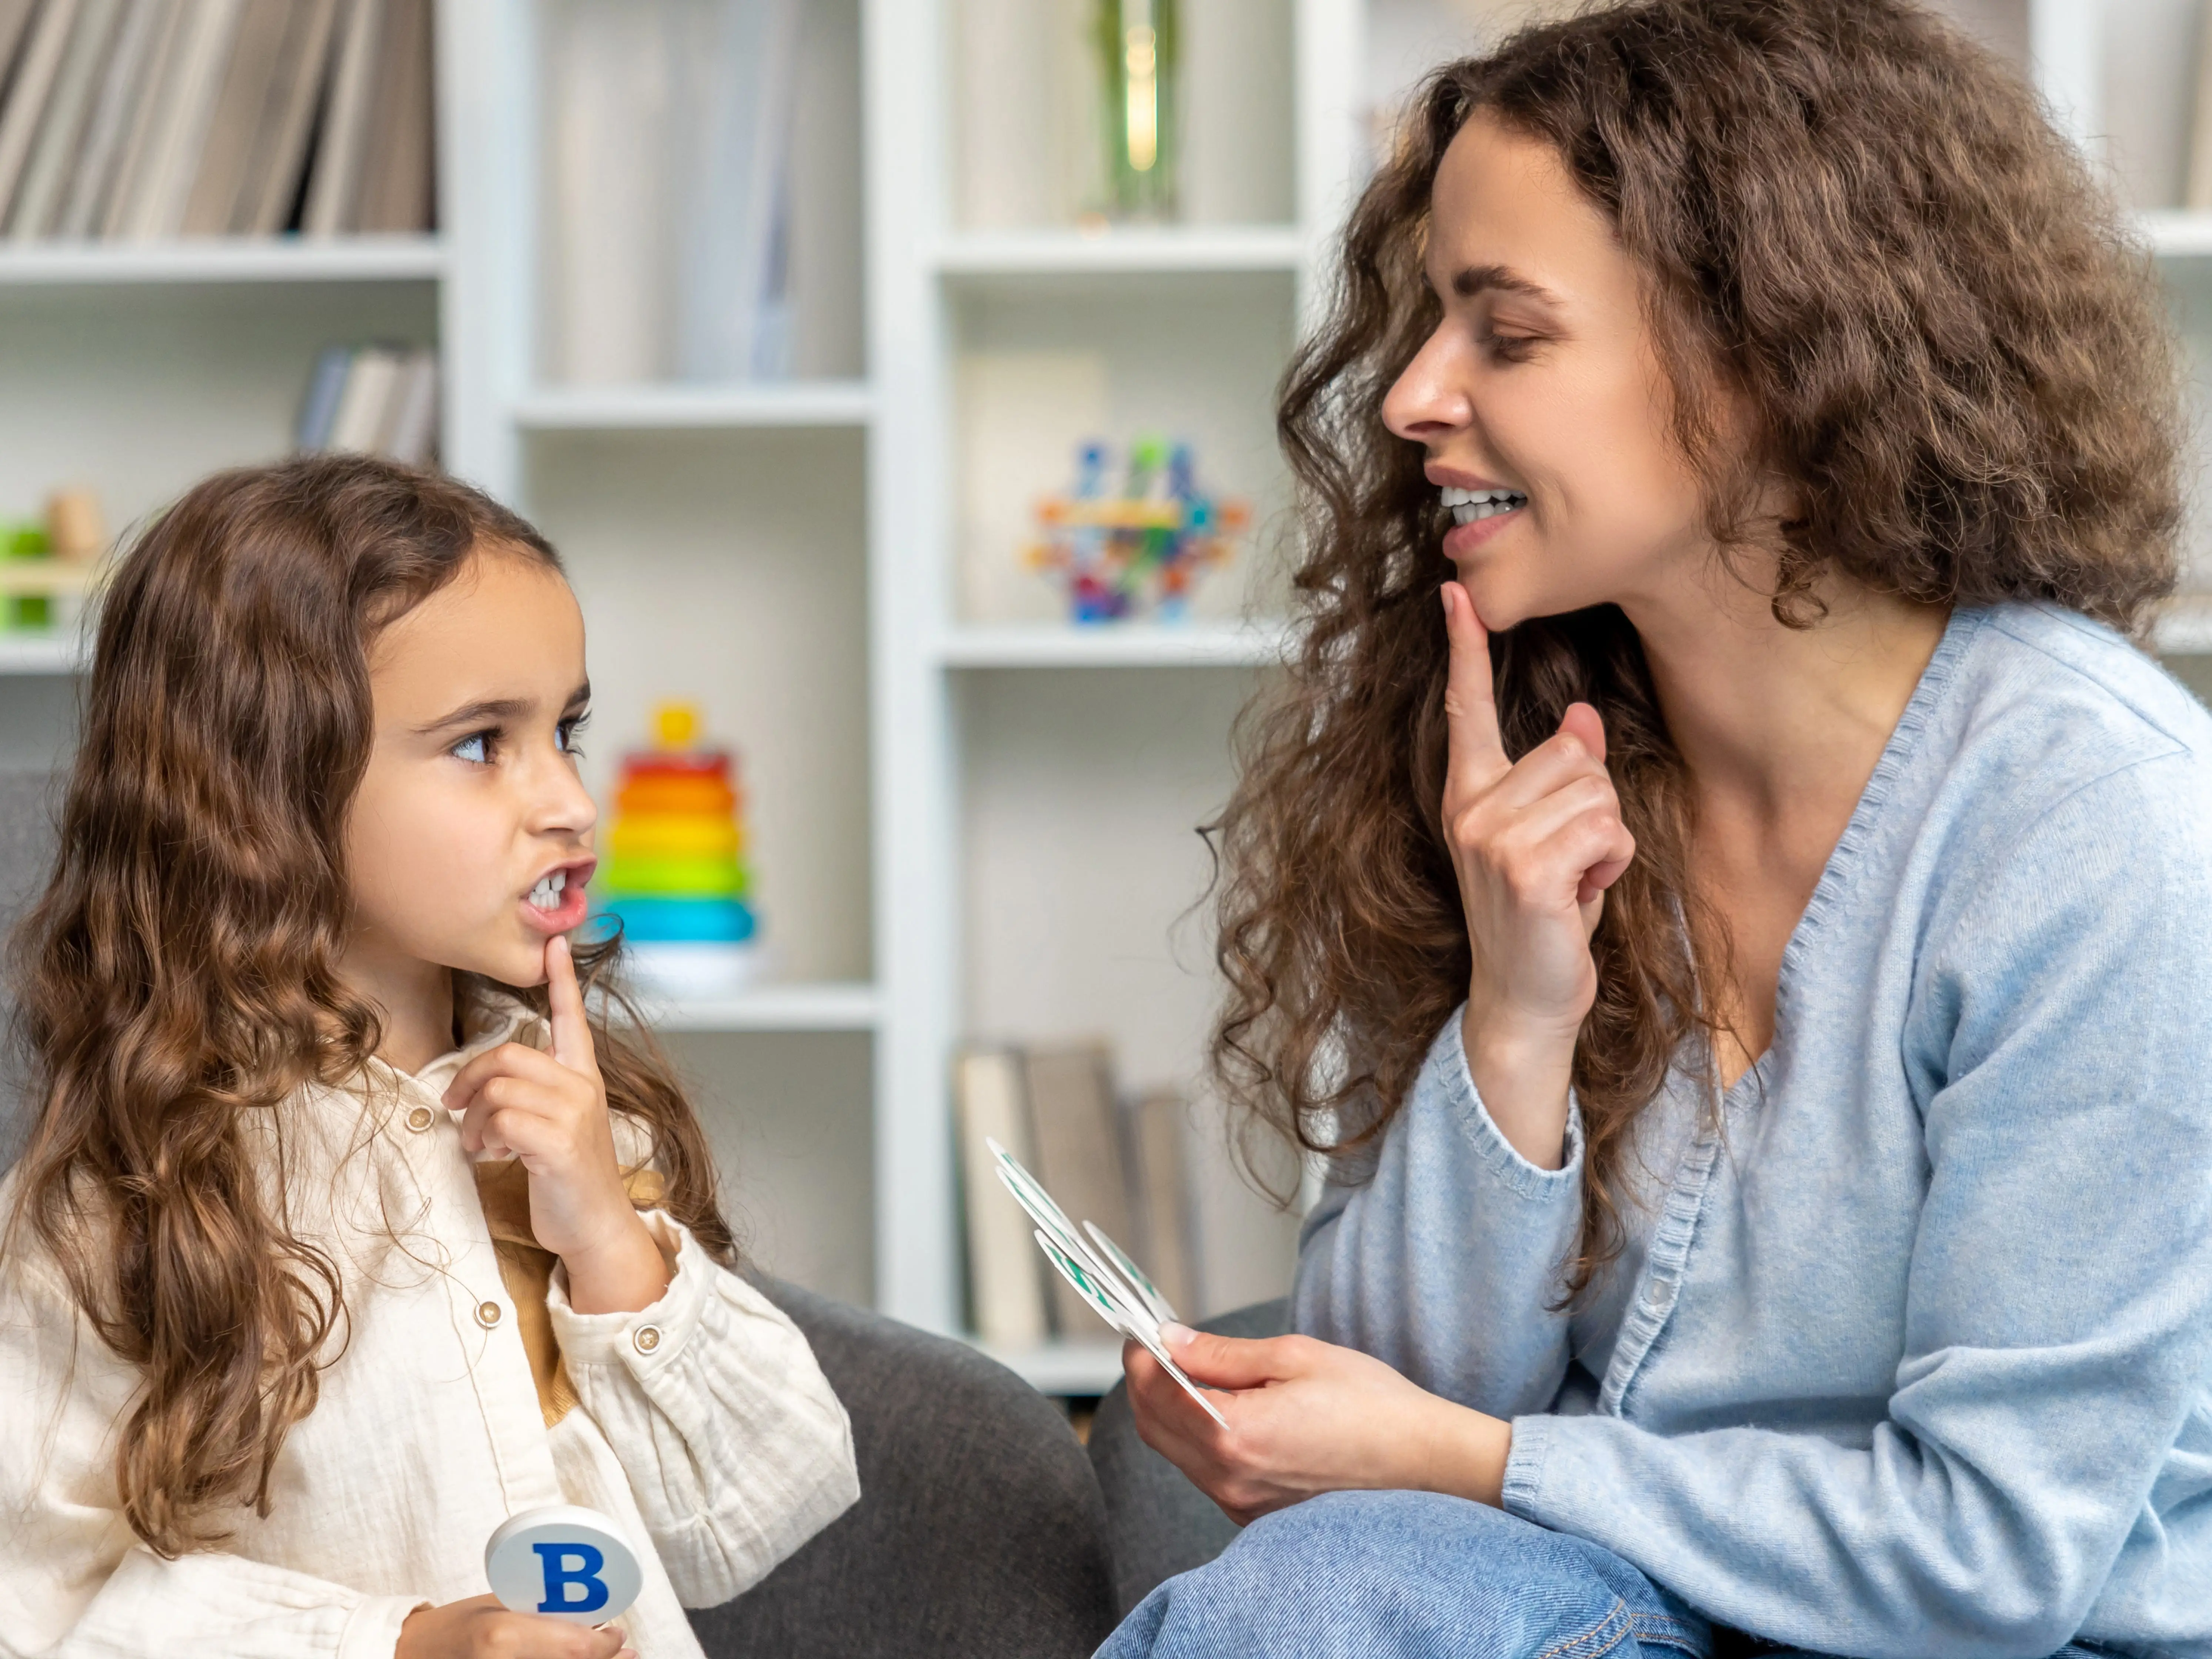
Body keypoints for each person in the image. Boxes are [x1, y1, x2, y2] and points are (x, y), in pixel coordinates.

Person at [1105, 0, 2212, 1654]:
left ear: (1761, 356)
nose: (1410, 394)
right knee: (1314, 1598)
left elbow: (1991, 1554)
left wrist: (1482, 1465)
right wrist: (1515, 1018)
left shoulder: (2091, 819)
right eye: (1426, 323)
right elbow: (1371, 1442)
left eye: (1505, 330)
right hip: (1623, 1612)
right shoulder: (1518, 762)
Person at [0, 456, 858, 1659]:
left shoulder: (582, 1130)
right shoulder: (116, 1212)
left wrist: (609, 1238)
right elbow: (40, 1611)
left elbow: (761, 1514)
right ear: (261, 789)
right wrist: (401, 1646)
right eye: (478, 745)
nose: (569, 802)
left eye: (564, 730)